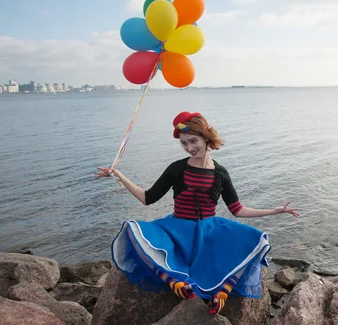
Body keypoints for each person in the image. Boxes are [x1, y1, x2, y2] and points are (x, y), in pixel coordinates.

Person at [95, 111, 299, 315]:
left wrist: (275, 210)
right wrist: (119, 174)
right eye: (184, 143)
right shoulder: (176, 169)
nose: (190, 148)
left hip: (209, 230)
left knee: (255, 241)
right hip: (177, 229)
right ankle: (174, 282)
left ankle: (223, 292)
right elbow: (147, 198)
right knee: (134, 232)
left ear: (206, 138)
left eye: (193, 141)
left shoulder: (221, 173)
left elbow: (237, 210)